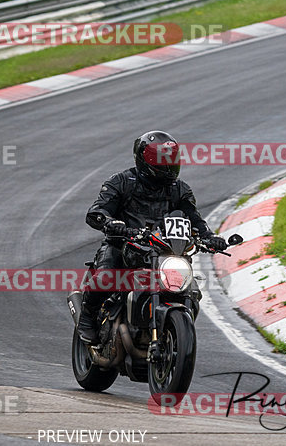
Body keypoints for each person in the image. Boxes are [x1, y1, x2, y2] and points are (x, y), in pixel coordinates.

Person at [76, 130, 230, 345]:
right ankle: (86, 320)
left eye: (171, 159)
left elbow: (195, 219)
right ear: (143, 159)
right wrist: (110, 222)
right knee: (106, 278)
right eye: (161, 160)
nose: (167, 165)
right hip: (124, 246)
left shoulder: (179, 189)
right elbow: (97, 211)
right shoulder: (121, 181)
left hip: (165, 251)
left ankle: (173, 335)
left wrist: (209, 237)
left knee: (191, 290)